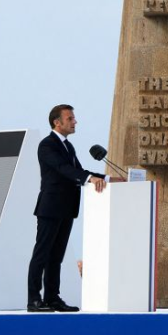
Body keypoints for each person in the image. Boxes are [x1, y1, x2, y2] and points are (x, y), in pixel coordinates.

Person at [30, 105, 106, 313]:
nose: (75, 122)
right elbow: (64, 170)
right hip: (50, 207)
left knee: (57, 256)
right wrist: (90, 179)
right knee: (42, 254)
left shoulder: (68, 147)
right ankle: (34, 300)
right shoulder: (47, 145)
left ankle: (52, 298)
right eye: (70, 118)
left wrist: (106, 178)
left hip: (66, 208)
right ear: (57, 122)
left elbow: (78, 171)